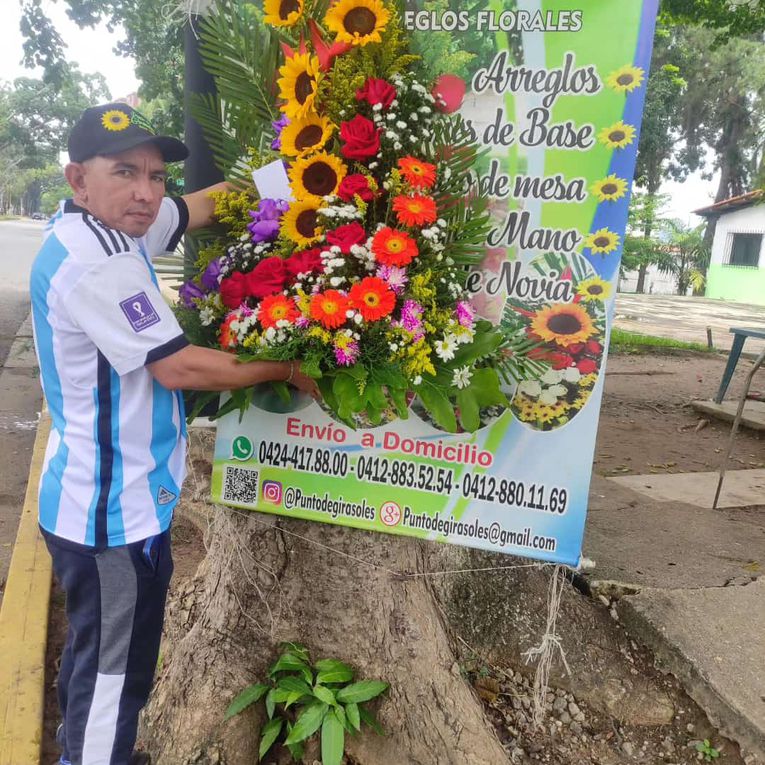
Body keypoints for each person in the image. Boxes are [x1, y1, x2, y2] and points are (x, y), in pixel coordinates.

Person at [30, 102, 319, 765]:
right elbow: (177, 366)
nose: (146, 192)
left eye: (155, 175)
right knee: (116, 670)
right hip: (111, 514)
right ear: (78, 178)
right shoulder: (95, 262)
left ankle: (82, 747)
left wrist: (300, 174)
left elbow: (200, 207)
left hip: (100, 496)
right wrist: (289, 366)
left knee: (95, 646)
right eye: (125, 172)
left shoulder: (106, 224)